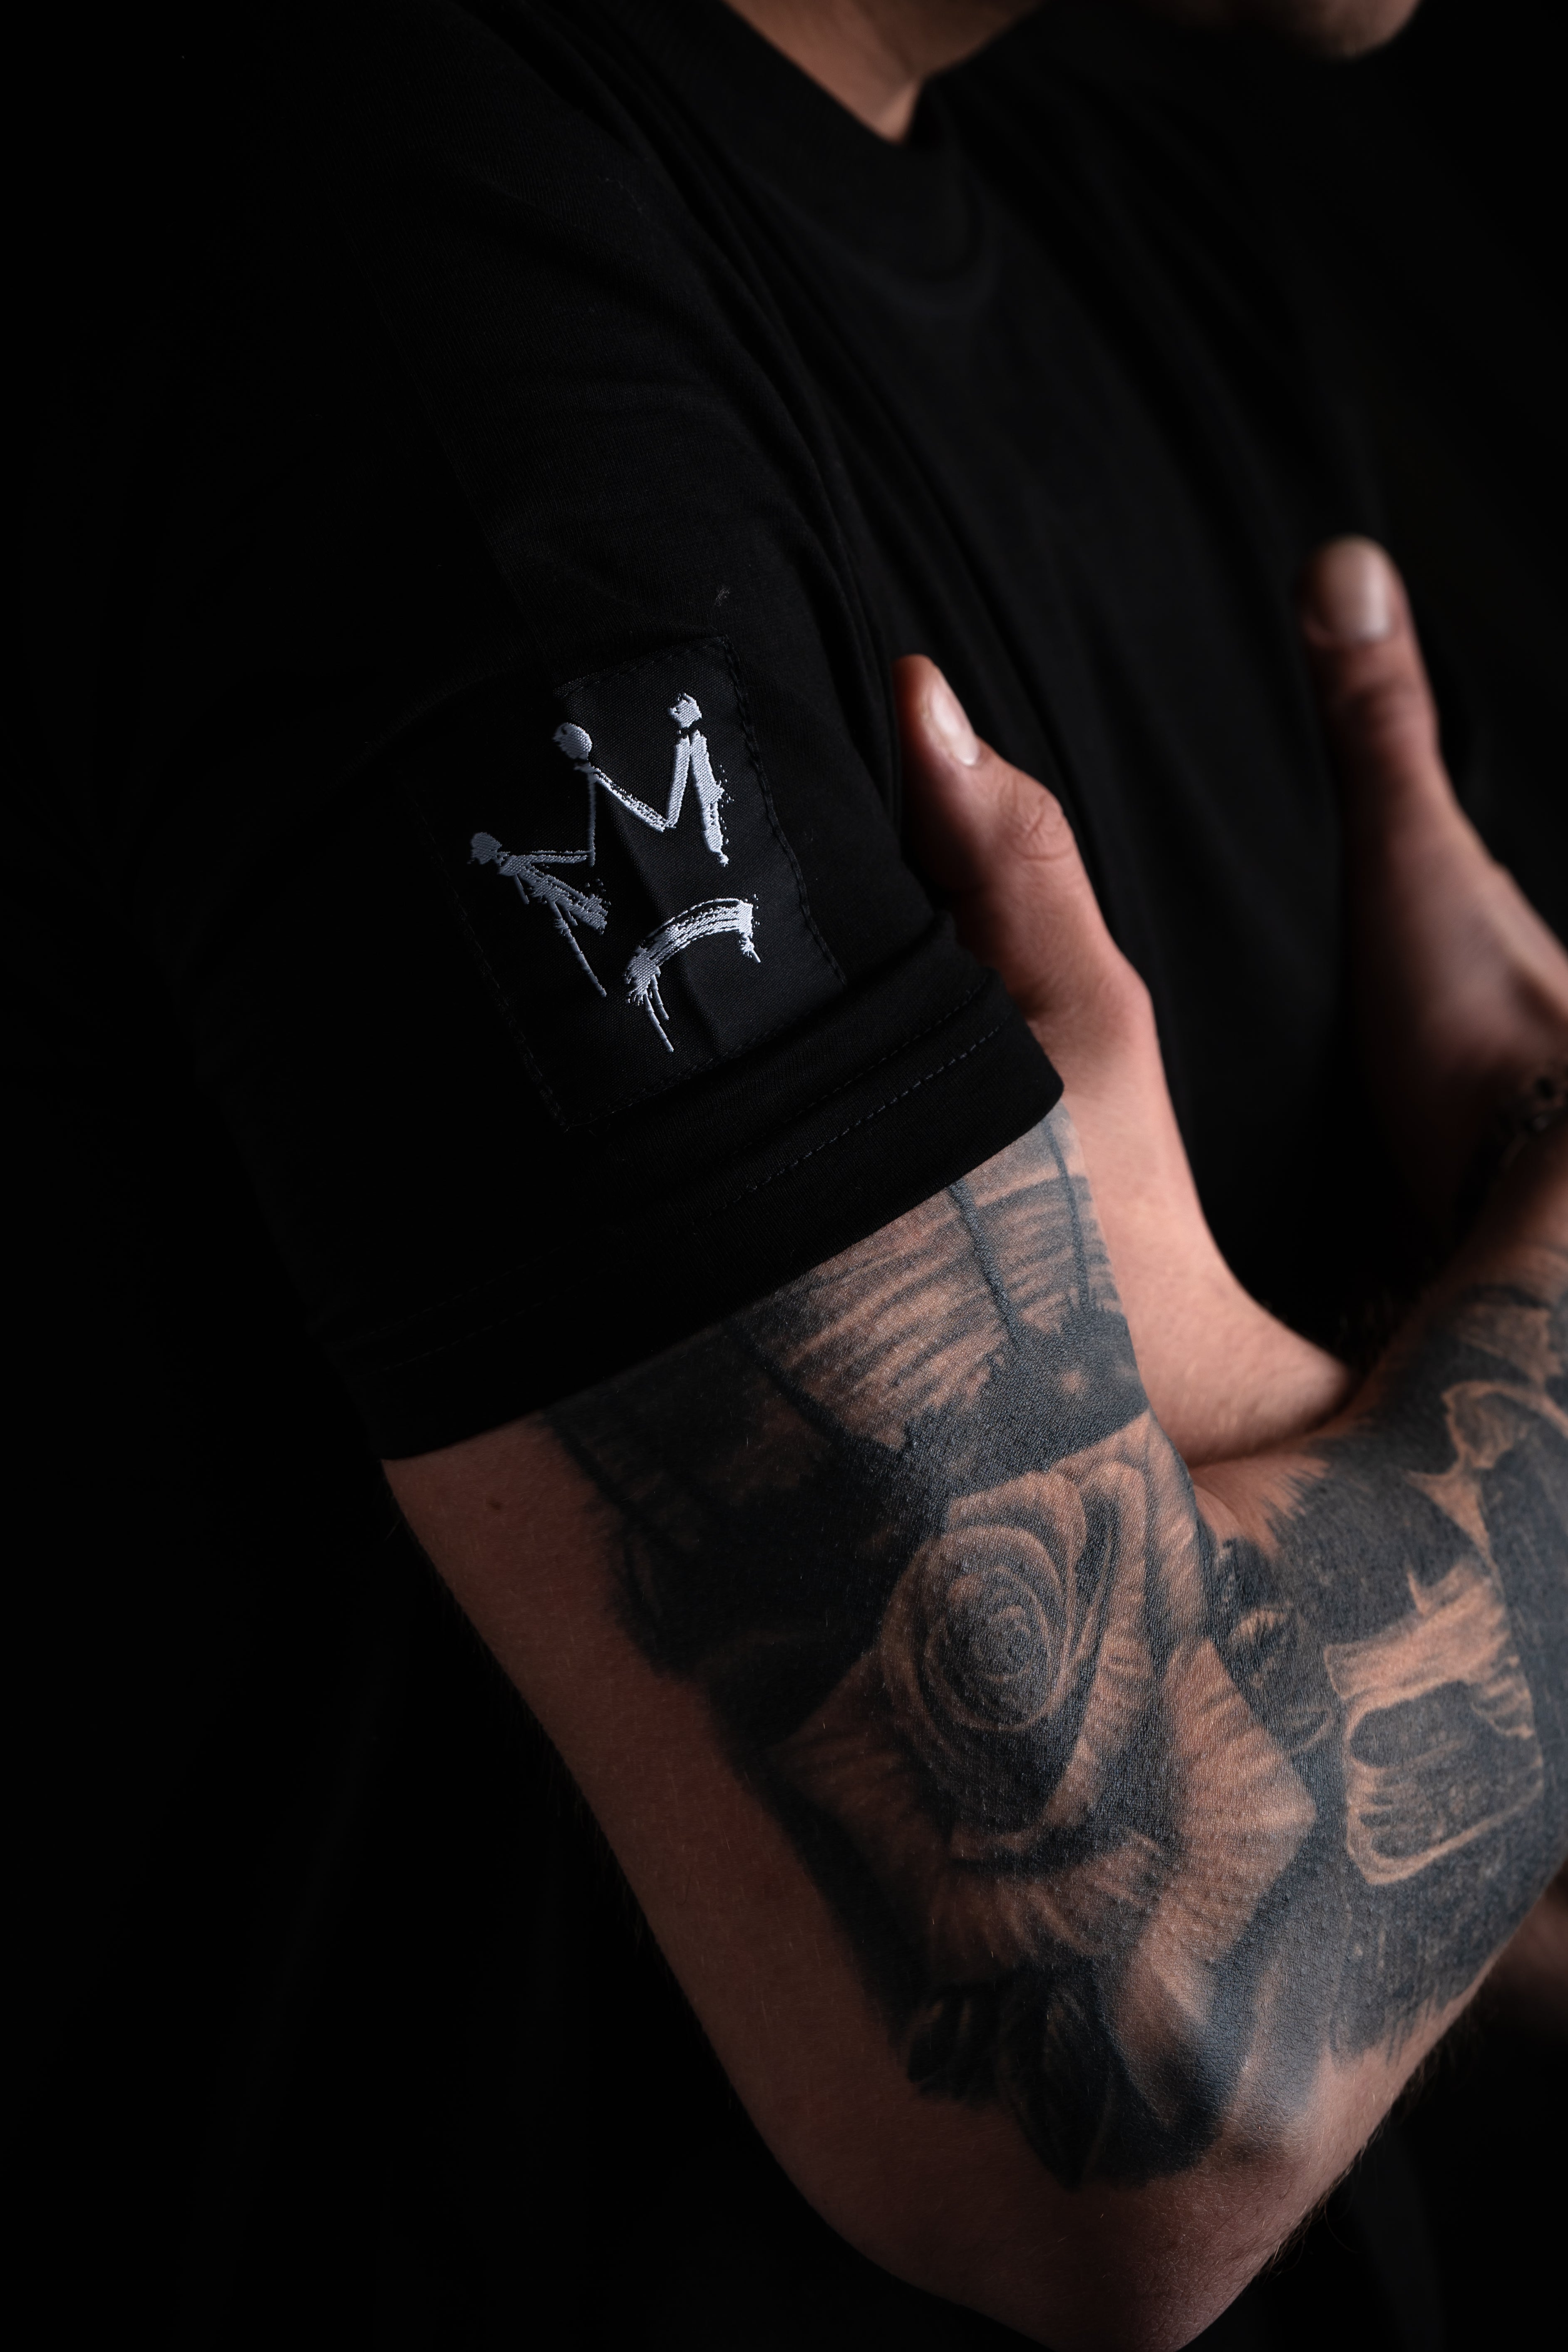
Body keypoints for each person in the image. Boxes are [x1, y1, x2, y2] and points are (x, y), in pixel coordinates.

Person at [14, 0, 1565, 2341]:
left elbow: (1498, 1890)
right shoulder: (398, 284)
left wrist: (1280, 1436)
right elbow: (1149, 2068)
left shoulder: (1156, 237)